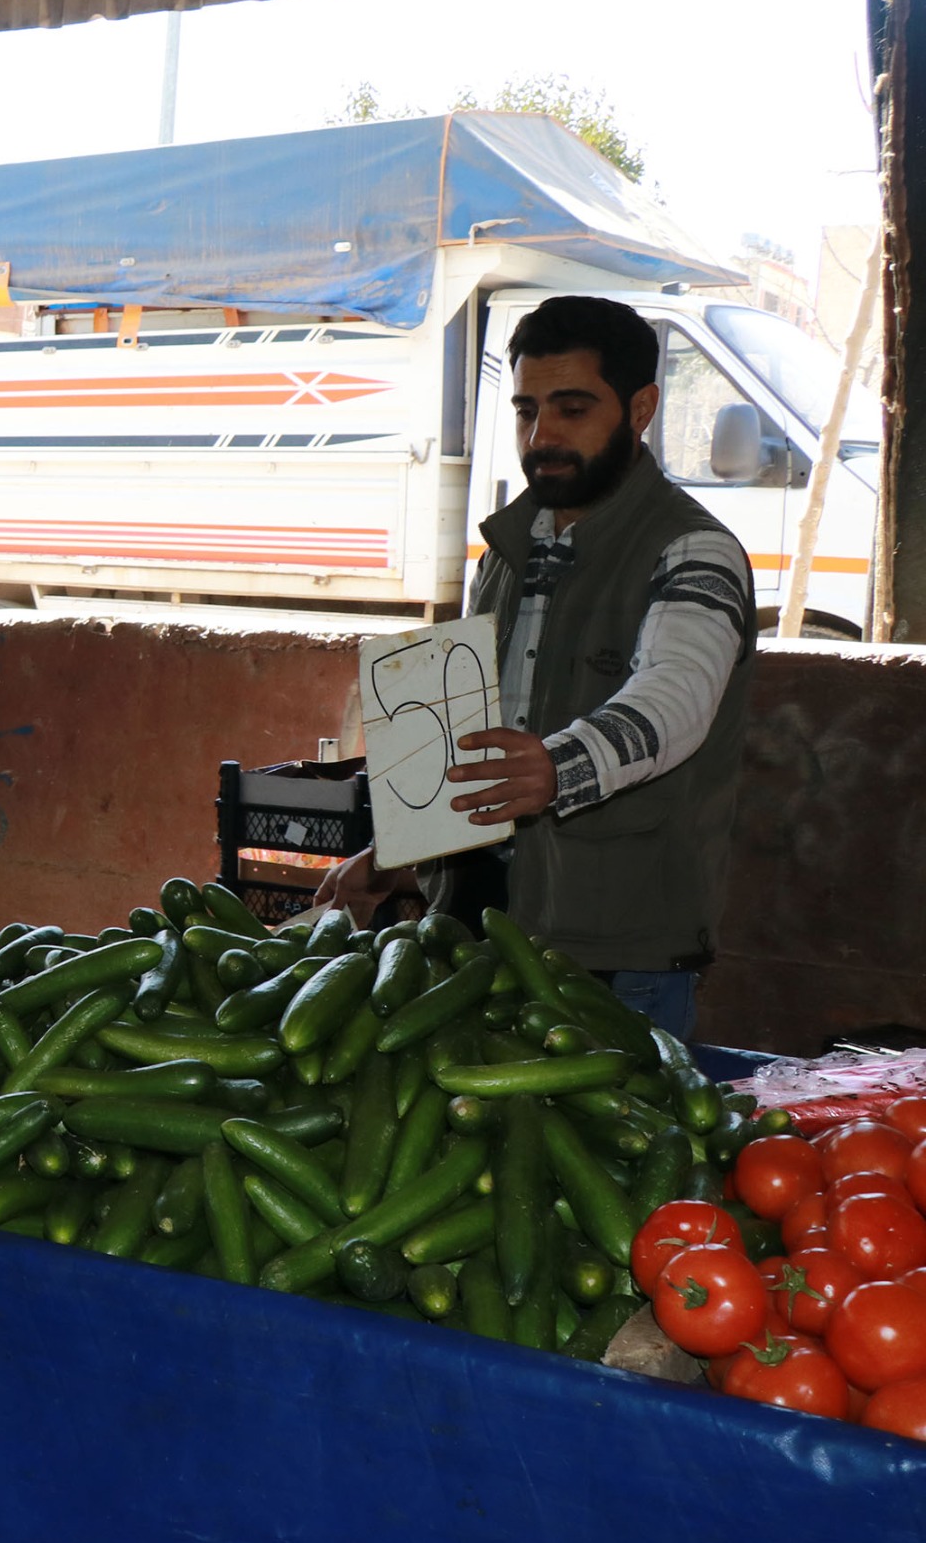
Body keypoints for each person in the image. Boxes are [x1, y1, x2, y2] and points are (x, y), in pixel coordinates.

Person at [318, 296, 755, 1041]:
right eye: (526, 410)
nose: (542, 435)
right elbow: (472, 743)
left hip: (617, 962)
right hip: (475, 940)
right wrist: (403, 853)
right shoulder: (505, 555)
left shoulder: (695, 550)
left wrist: (556, 769)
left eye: (573, 408)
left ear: (641, 407)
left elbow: (674, 697)